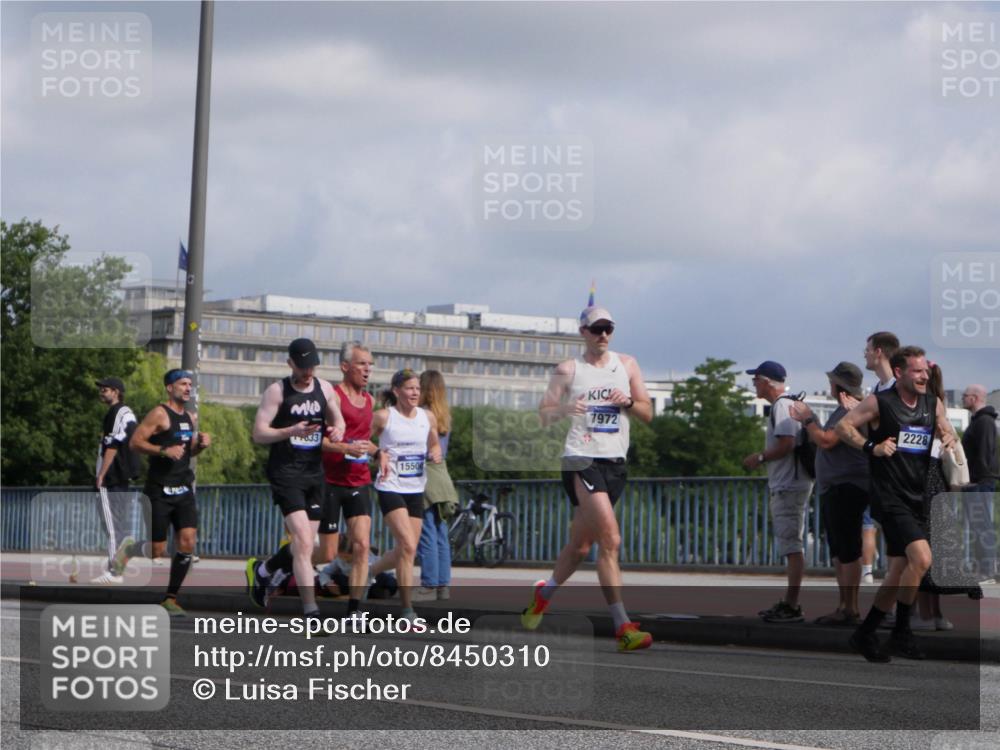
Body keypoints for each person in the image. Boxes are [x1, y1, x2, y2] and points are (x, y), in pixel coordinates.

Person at [521, 304, 654, 652]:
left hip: (615, 462)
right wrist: (566, 408)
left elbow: (648, 413)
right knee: (610, 539)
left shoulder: (627, 365)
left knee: (580, 546)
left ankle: (543, 596)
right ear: (583, 332)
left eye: (608, 329)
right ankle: (623, 626)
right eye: (596, 329)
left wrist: (627, 402)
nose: (603, 335)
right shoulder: (569, 369)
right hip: (580, 458)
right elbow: (543, 415)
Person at [836, 346, 959, 662]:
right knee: (921, 558)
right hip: (889, 496)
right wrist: (871, 446)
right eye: (917, 371)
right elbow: (843, 427)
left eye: (925, 371)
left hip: (918, 496)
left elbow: (948, 431)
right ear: (901, 372)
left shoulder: (933, 404)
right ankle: (901, 632)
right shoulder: (881, 403)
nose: (924, 376)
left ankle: (865, 634)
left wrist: (949, 438)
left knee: (899, 571)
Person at [246, 338, 345, 624]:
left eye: (312, 365)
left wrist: (338, 430)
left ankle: (265, 569)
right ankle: (311, 612)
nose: (308, 371)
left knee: (306, 548)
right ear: (290, 364)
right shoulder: (277, 391)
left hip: (314, 473)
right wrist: (290, 431)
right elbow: (259, 433)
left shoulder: (325, 388)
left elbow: (338, 419)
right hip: (286, 473)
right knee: (303, 539)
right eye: (302, 367)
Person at [126, 369, 211, 616]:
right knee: (158, 550)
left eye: (190, 384)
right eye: (183, 384)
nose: (188, 388)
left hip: (183, 488)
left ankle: (170, 598)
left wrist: (200, 446)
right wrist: (163, 450)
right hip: (159, 490)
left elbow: (186, 452)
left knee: (187, 542)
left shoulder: (190, 418)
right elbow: (135, 442)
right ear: (170, 388)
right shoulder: (159, 414)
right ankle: (130, 550)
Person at [789, 362, 867, 625]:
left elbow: (826, 440)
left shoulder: (852, 410)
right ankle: (844, 605)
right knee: (840, 549)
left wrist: (808, 418)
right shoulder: (844, 409)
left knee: (848, 549)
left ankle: (851, 608)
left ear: (838, 384)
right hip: (836, 486)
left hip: (847, 485)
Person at [742, 361, 814, 623]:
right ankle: (790, 602)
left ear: (766, 382)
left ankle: (792, 605)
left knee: (791, 545)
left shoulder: (782, 407)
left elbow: (787, 444)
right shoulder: (788, 404)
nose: (754, 385)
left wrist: (760, 457)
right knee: (791, 544)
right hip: (793, 482)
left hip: (789, 484)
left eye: (756, 380)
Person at [371, 369, 442, 621]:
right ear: (396, 390)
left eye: (417, 389)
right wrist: (378, 454)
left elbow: (433, 443)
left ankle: (369, 572)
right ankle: (407, 610)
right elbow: (362, 441)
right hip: (389, 487)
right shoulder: (382, 417)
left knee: (407, 550)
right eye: (410, 388)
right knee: (409, 545)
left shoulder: (427, 417)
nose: (415, 393)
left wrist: (435, 453)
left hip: (415, 489)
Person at [319, 341, 378, 618]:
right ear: (345, 367)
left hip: (359, 481)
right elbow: (316, 441)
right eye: (362, 363)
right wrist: (345, 448)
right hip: (330, 481)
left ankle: (355, 610)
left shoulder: (370, 401)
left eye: (370, 364)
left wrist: (381, 454)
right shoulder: (332, 397)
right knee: (328, 553)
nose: (367, 369)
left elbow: (366, 441)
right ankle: (275, 566)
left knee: (362, 545)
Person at [91, 376, 140, 584]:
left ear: (117, 392)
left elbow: (113, 444)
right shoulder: (126, 413)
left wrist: (101, 473)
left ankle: (113, 572)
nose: (102, 391)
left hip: (111, 477)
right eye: (101, 388)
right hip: (122, 476)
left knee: (111, 526)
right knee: (118, 525)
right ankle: (118, 567)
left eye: (106, 389)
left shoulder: (116, 412)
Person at [415, 370, 459, 601]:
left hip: (425, 475)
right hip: (443, 477)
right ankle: (443, 585)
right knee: (441, 531)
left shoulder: (421, 415)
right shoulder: (444, 417)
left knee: (427, 531)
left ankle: (429, 583)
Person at [861, 331, 900, 583]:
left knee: (902, 544)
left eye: (867, 349)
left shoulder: (899, 386)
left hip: (901, 476)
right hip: (882, 476)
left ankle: (908, 609)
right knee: (893, 543)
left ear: (878, 352)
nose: (864, 353)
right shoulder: (878, 388)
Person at [960, 384, 998, 582]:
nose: (962, 399)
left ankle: (987, 570)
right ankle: (984, 568)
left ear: (974, 398)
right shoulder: (980, 421)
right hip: (978, 481)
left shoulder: (983, 422)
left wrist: (974, 479)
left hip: (979, 482)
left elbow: (984, 453)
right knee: (978, 525)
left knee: (981, 525)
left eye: (965, 396)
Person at [318, 536, 398, 600]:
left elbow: (368, 579)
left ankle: (379, 593)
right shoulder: (339, 560)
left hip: (371, 582)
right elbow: (325, 572)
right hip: (350, 583)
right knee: (338, 579)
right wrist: (328, 583)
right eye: (341, 557)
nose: (344, 560)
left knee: (387, 581)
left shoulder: (367, 559)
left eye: (346, 557)